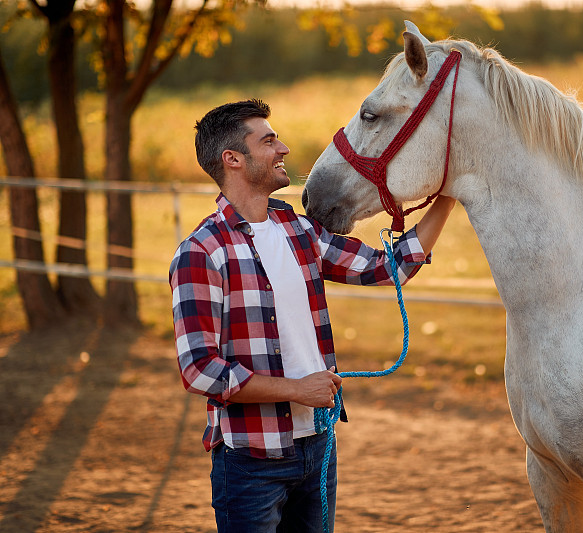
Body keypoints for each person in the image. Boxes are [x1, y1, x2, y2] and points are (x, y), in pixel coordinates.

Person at [169, 98, 455, 533]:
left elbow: (388, 269)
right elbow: (199, 370)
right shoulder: (201, 253)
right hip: (251, 460)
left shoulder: (298, 229)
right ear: (233, 159)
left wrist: (450, 195)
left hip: (318, 445)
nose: (283, 149)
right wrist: (296, 389)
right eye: (268, 140)